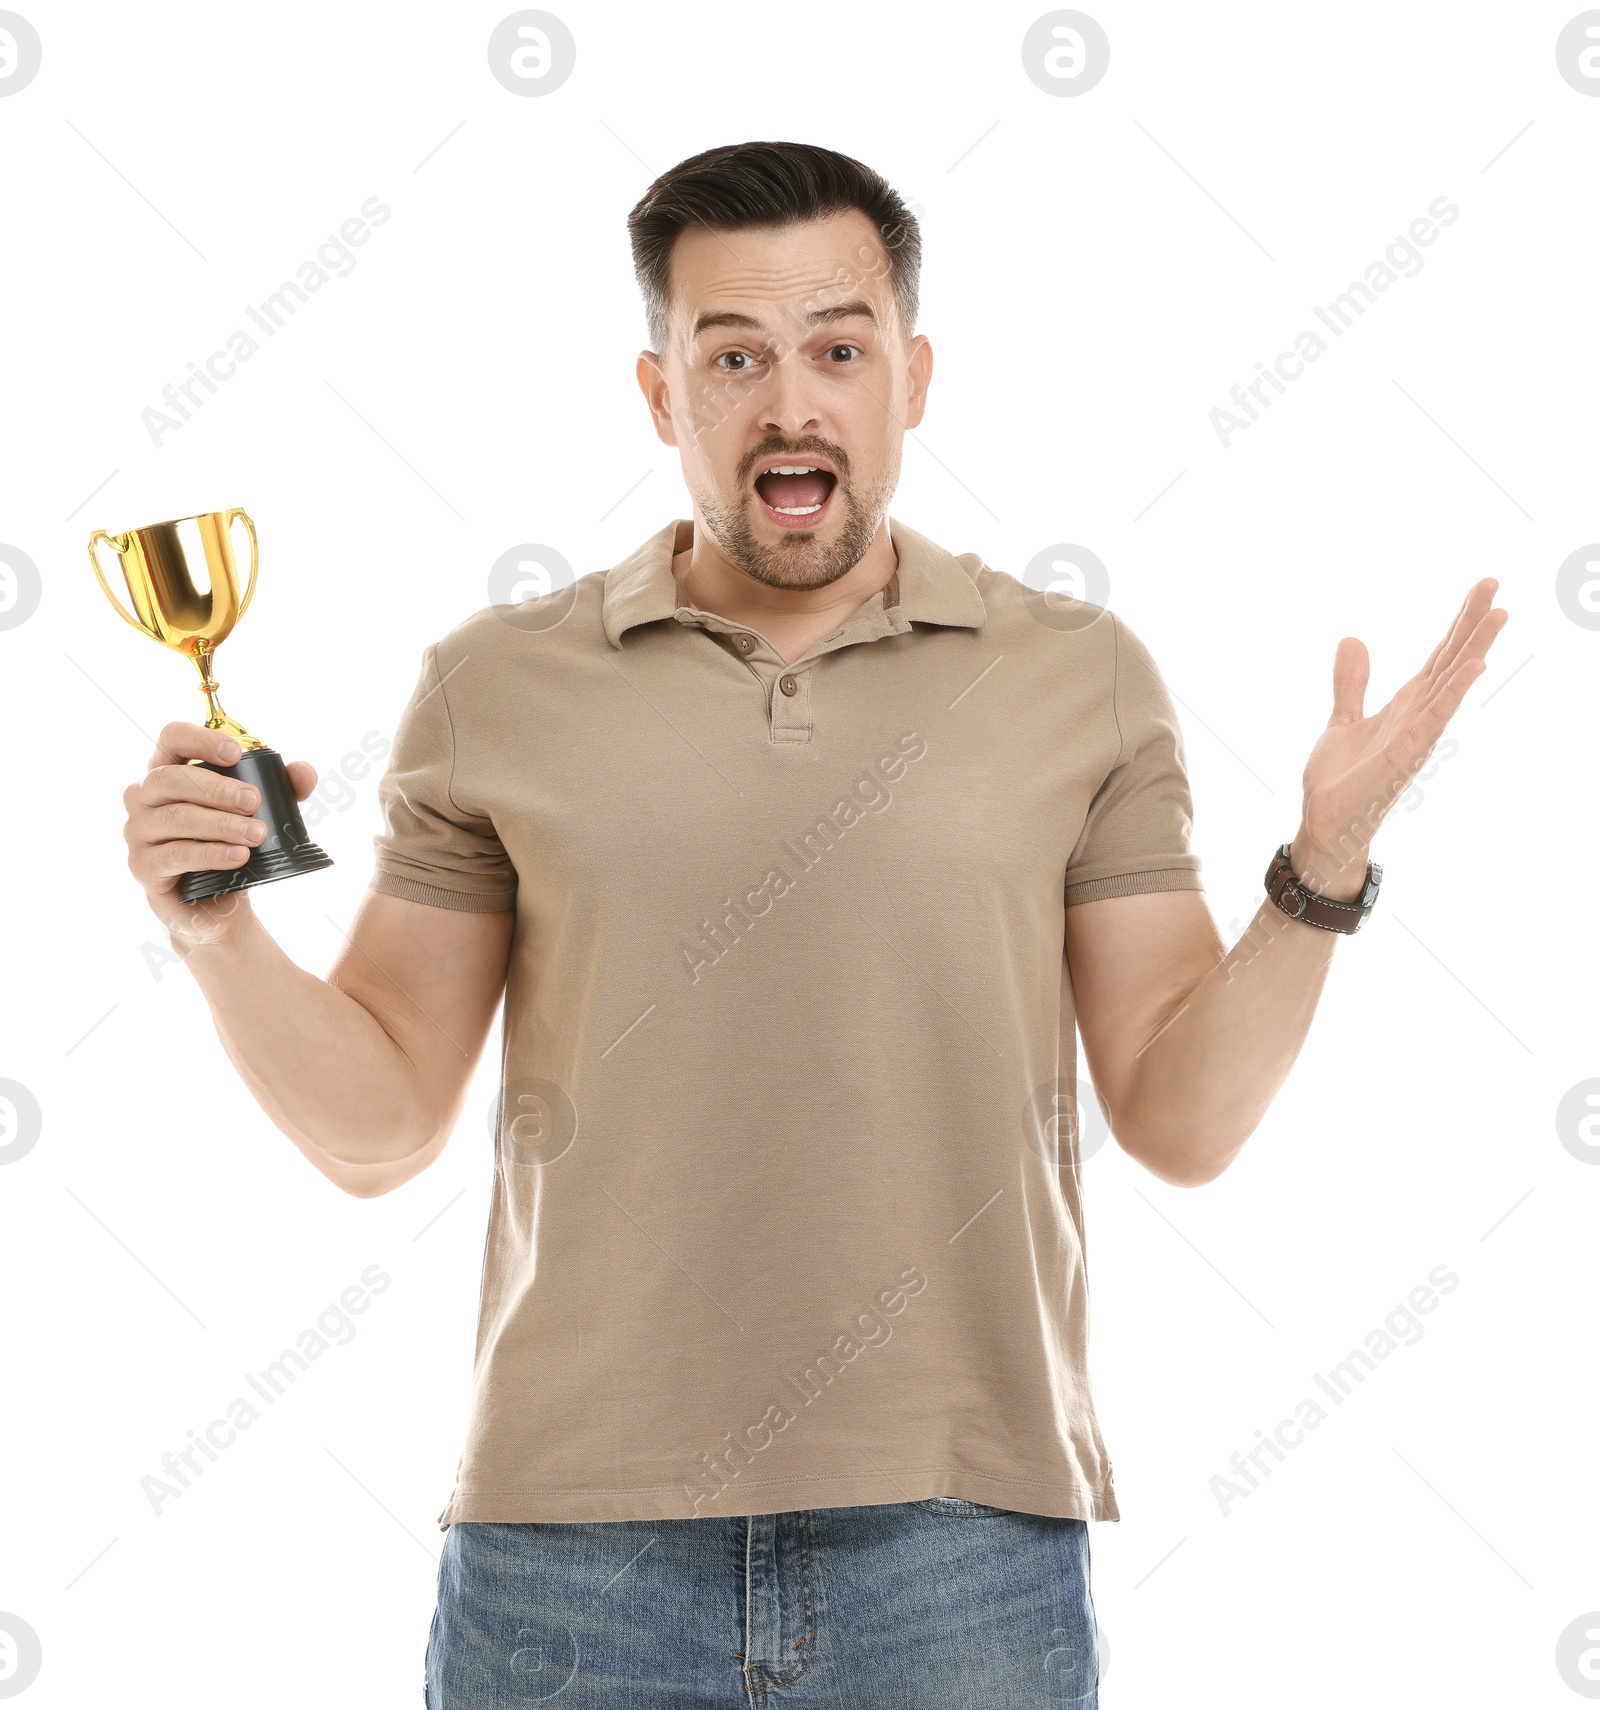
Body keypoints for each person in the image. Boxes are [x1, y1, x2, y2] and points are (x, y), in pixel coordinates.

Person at [119, 141, 1506, 1709]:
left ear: (911, 378)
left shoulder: (1078, 676)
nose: (792, 405)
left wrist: (1323, 860)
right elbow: (376, 1127)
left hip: (963, 1545)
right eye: (735, 357)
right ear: (661, 394)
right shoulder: (492, 684)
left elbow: (1179, 1120)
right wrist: (215, 935)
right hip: (570, 1554)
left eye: (839, 350)